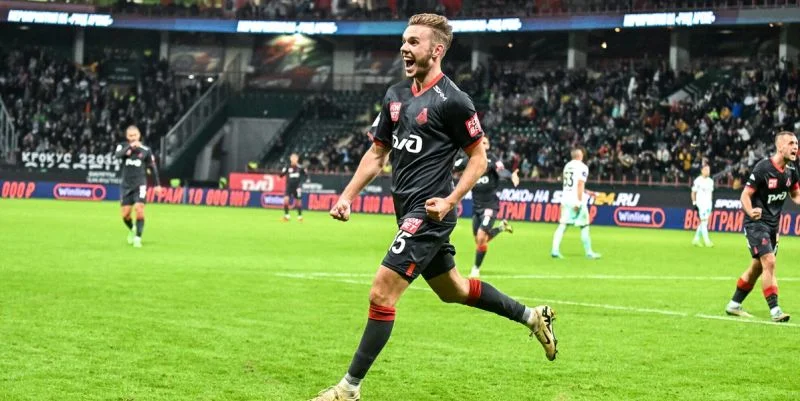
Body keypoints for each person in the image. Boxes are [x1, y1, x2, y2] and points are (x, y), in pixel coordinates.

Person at [312, 14, 557, 401]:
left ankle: (349, 389)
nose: (404, 48)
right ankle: (532, 316)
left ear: (437, 50)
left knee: (381, 294)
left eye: (413, 42)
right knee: (453, 289)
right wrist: (347, 195)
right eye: (403, 41)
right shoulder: (395, 95)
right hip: (406, 209)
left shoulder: (454, 100)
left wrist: (451, 200)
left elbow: (479, 159)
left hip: (429, 213)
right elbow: (377, 153)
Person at [725, 131, 799, 322]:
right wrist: (750, 211)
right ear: (780, 146)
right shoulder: (763, 168)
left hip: (773, 227)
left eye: (796, 144)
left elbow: (795, 194)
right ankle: (775, 310)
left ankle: (734, 304)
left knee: (757, 268)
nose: (795, 147)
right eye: (791, 143)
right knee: (770, 261)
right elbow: (745, 195)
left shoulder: (792, 171)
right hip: (756, 224)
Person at [454, 136, 519, 278]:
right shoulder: (470, 159)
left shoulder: (492, 159)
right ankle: (501, 228)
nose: (482, 144)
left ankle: (475, 269)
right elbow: (454, 166)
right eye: (481, 142)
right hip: (476, 206)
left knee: (481, 236)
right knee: (479, 240)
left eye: (485, 143)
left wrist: (511, 176)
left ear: (488, 146)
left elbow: (501, 171)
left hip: (490, 206)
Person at [114, 126, 162, 248]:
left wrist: (157, 185)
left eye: (135, 135)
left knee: (139, 210)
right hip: (126, 186)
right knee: (125, 215)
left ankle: (138, 238)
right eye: (131, 136)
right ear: (127, 137)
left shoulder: (146, 150)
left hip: (140, 184)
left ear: (139, 135)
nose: (133, 137)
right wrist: (130, 147)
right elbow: (117, 155)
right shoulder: (122, 146)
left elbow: (152, 167)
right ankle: (132, 229)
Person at [551, 148, 601, 259]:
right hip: (576, 200)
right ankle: (589, 252)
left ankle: (554, 250)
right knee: (584, 226)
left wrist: (588, 192)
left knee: (562, 226)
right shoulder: (583, 167)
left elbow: (571, 185)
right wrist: (578, 202)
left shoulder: (567, 166)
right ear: (580, 156)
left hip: (565, 199)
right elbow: (579, 184)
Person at [691, 164, 714, 247]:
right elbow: (693, 192)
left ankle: (696, 239)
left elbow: (711, 193)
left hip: (708, 204)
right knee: (704, 222)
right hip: (701, 204)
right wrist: (694, 203)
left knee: (704, 222)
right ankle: (707, 241)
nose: (708, 171)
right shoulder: (698, 180)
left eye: (709, 170)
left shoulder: (710, 181)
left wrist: (711, 203)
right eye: (706, 169)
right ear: (702, 170)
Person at [280, 153, 306, 222]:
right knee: (286, 200)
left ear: (297, 159)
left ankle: (300, 217)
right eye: (292, 158)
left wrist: (301, 184)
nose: (294, 159)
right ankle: (287, 216)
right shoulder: (287, 167)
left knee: (298, 202)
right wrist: (282, 172)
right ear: (290, 159)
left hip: (297, 187)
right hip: (289, 186)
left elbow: (305, 176)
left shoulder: (300, 168)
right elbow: (281, 175)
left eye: (295, 158)